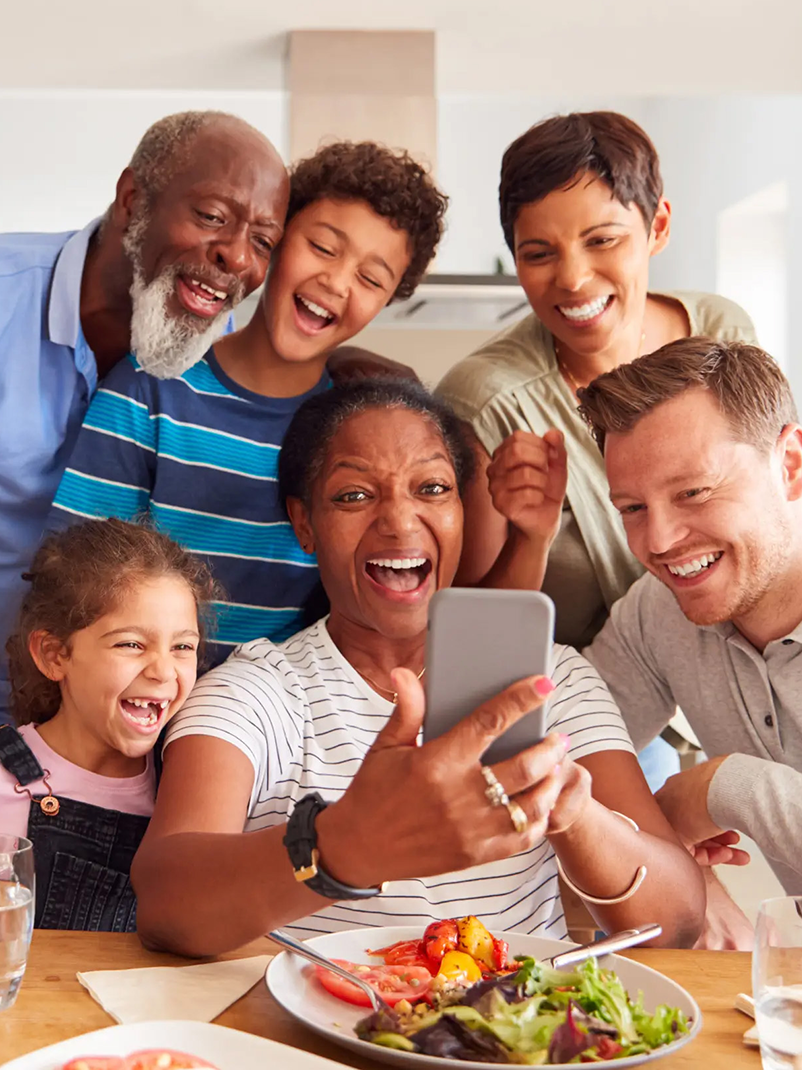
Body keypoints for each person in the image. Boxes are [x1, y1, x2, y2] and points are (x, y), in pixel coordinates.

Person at [132, 379, 705, 958]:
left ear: (462, 510)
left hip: (515, 1037)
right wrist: (350, 846)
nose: (400, 522)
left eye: (432, 488)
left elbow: (678, 920)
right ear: (304, 523)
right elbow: (164, 903)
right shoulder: (257, 690)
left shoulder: (553, 681)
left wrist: (575, 814)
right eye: (354, 496)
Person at [436, 111, 757, 789]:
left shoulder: (724, 334)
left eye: (602, 239)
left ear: (658, 227)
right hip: (590, 714)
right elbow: (475, 637)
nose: (574, 280)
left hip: (743, 677)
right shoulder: (490, 401)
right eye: (539, 252)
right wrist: (532, 534)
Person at [48, 143, 448, 667]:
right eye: (323, 248)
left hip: (283, 718)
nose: (336, 281)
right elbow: (71, 576)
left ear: (389, 299)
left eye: (372, 279)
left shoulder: (352, 430)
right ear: (276, 241)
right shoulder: (152, 389)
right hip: (142, 706)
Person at [0, 109, 288, 724]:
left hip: (72, 724)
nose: (237, 258)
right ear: (133, 198)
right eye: (212, 217)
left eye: (262, 241)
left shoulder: (216, 358)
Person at [576, 337, 802, 949]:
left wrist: (724, 787)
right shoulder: (658, 613)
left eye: (693, 492)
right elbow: (567, 754)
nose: (661, 540)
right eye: (631, 507)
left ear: (789, 464)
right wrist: (683, 882)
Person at [0, 518, 215, 931]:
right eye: (131, 644)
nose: (163, 670)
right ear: (54, 655)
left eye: (182, 647)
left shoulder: (187, 792)